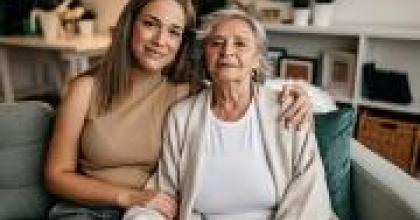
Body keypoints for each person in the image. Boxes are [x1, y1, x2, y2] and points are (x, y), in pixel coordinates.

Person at [44, 0, 312, 219]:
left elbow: (236, 80)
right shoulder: (85, 89)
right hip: (88, 210)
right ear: (129, 26)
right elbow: (56, 177)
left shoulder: (186, 93)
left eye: (174, 31)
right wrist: (130, 197)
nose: (161, 40)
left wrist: (300, 95)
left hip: (155, 212)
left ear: (182, 42)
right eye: (150, 24)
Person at [153, 8, 338, 220]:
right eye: (216, 43)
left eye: (240, 43)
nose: (227, 51)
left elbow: (310, 193)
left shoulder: (289, 107)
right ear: (205, 56)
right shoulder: (181, 117)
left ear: (257, 60)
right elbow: (164, 192)